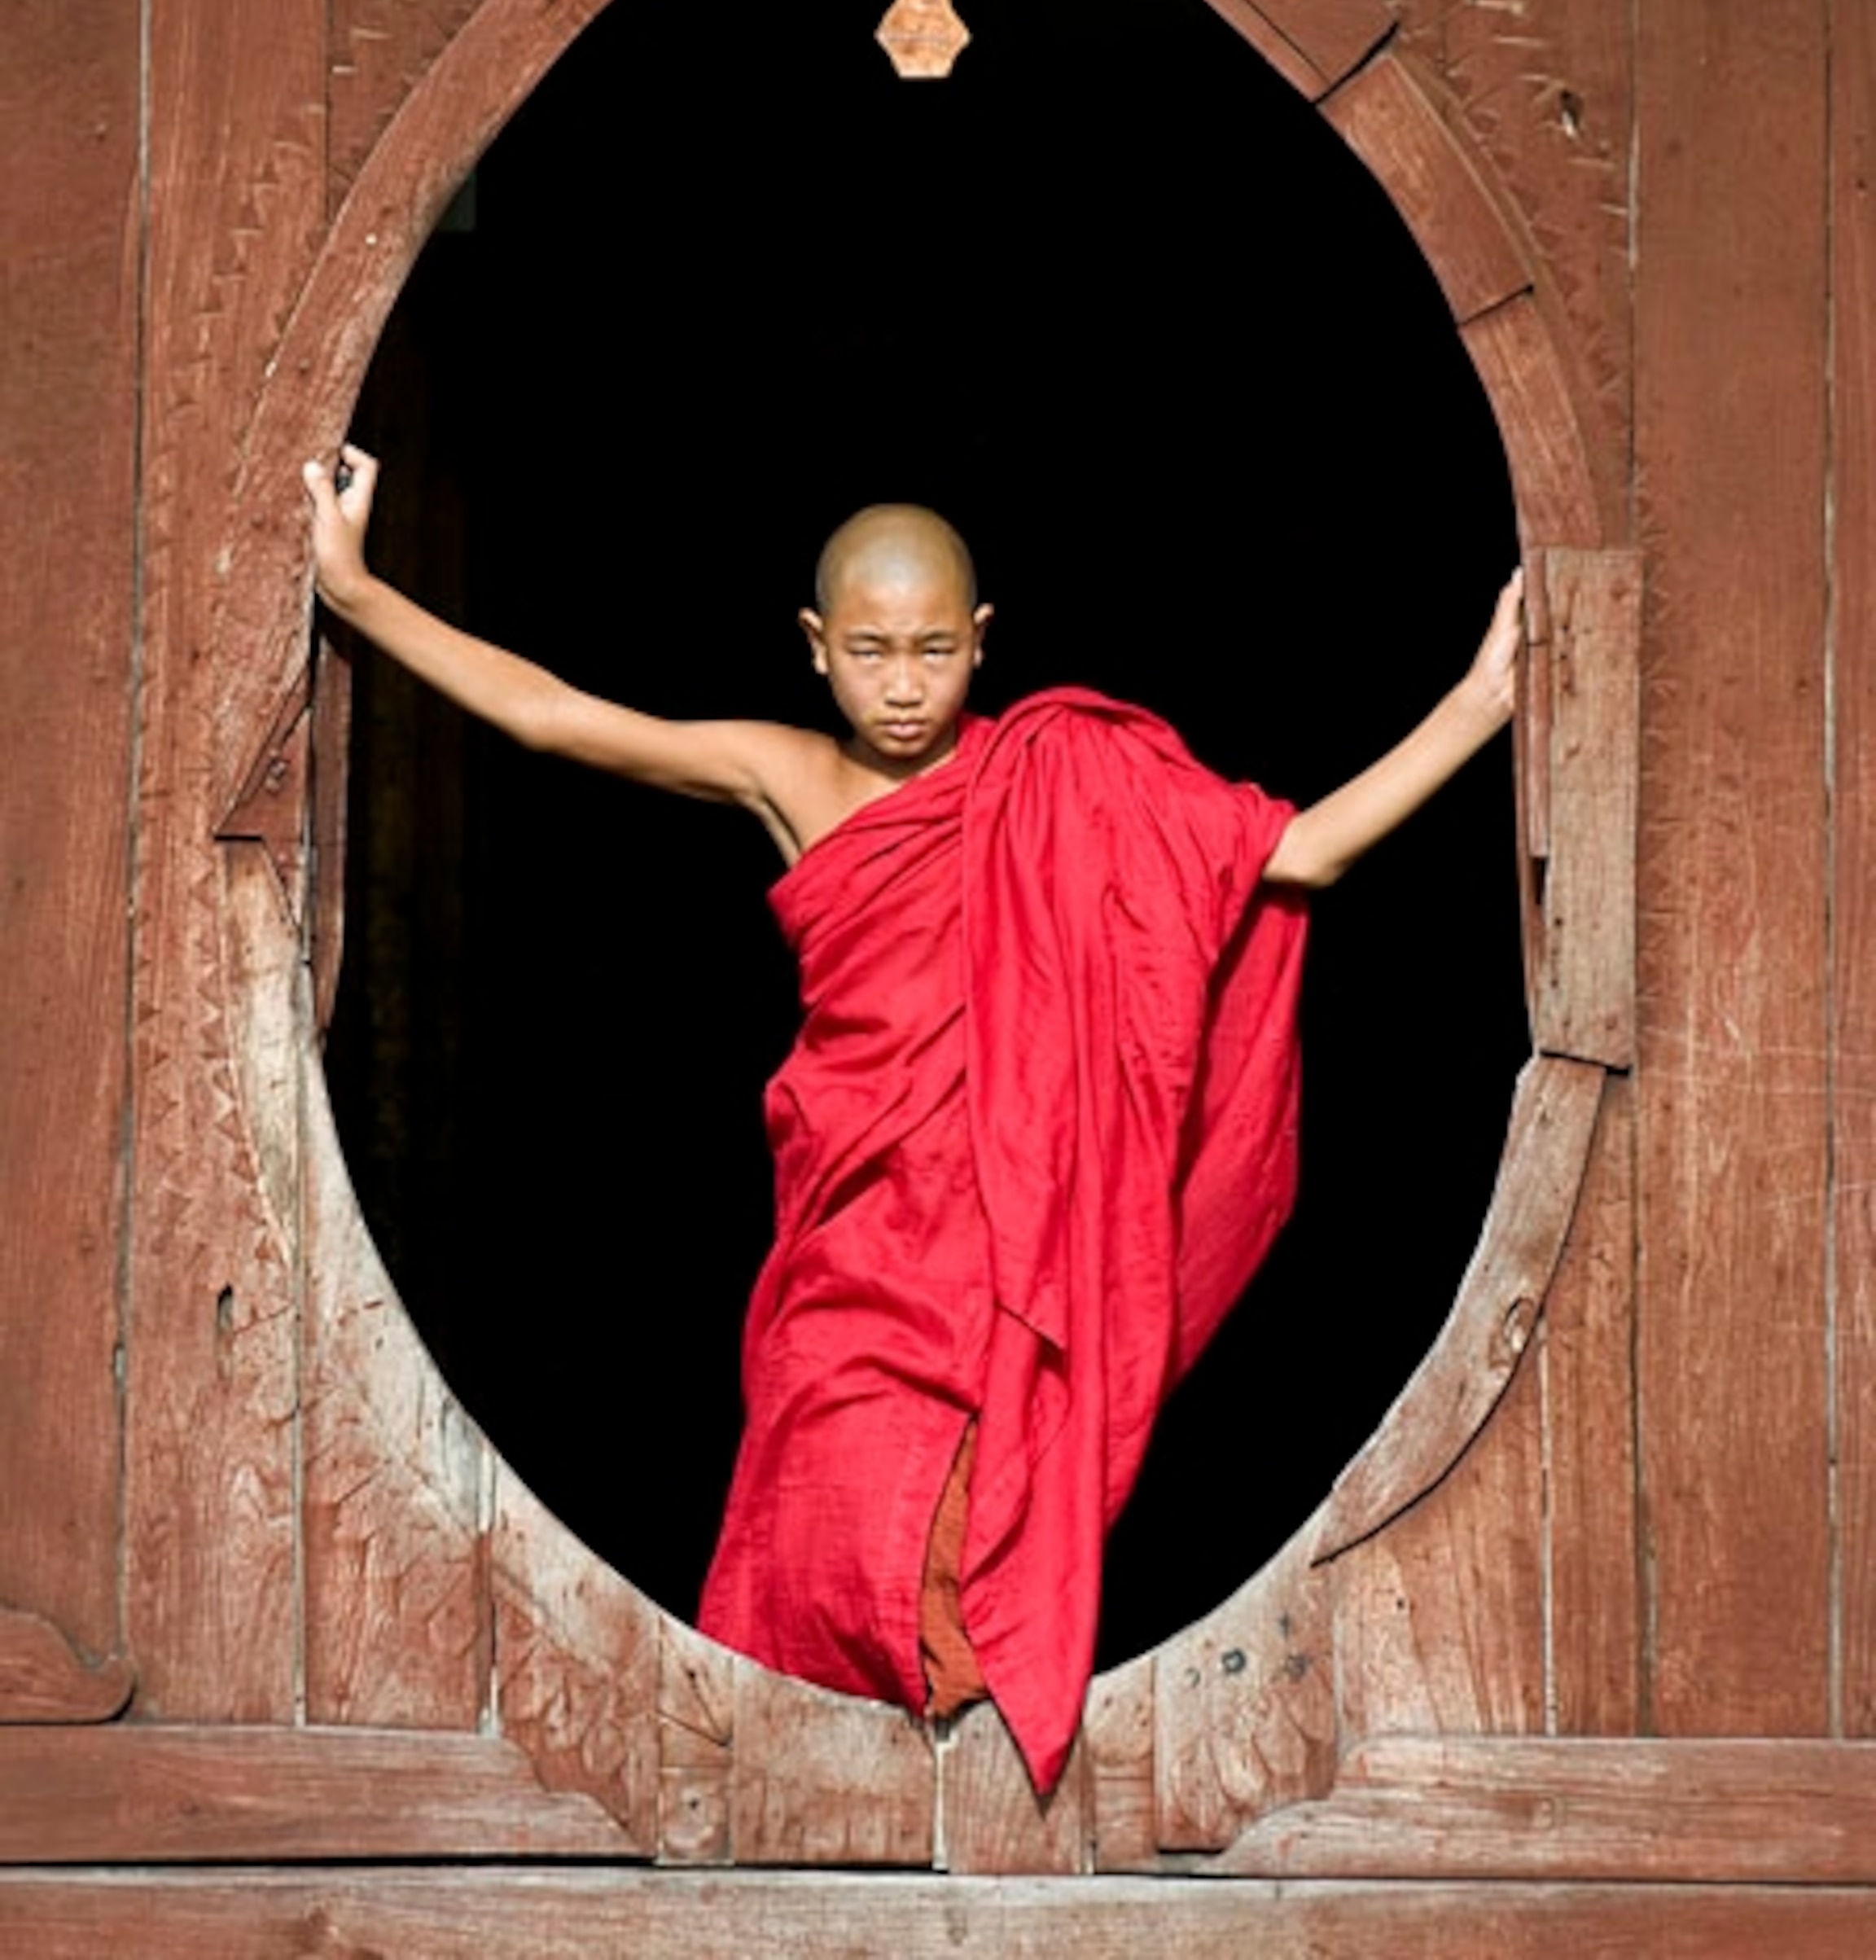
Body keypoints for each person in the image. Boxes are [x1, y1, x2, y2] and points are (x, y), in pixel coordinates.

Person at [304, 449, 1523, 1793]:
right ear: (816, 647)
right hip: (852, 1257)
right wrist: (356, 594)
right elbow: (553, 716)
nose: (902, 684)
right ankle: (795, 1824)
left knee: (969, 1570)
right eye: (872, 651)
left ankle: (981, 1849)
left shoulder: (1067, 782)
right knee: (820, 1532)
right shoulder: (790, 778)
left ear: (983, 641)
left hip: (1003, 1266)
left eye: (935, 650)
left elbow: (1301, 852)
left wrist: (1480, 703)